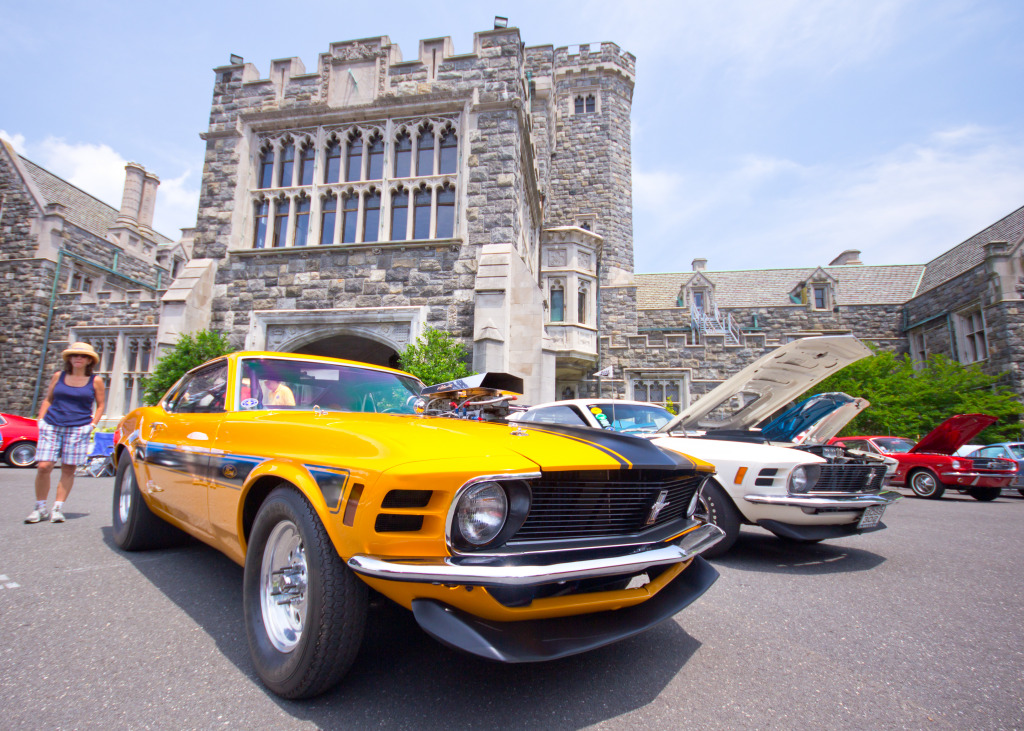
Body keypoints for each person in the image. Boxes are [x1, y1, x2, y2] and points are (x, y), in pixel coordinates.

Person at [26, 342, 107, 524]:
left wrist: (92, 425)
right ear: (69, 358)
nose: (78, 358)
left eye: (83, 356)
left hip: (78, 428)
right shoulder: (59, 376)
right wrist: (40, 419)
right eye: (75, 355)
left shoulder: (96, 381)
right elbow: (48, 399)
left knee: (68, 468)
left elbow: (101, 405)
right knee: (43, 466)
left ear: (89, 361)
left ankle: (57, 508)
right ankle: (40, 507)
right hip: (52, 425)